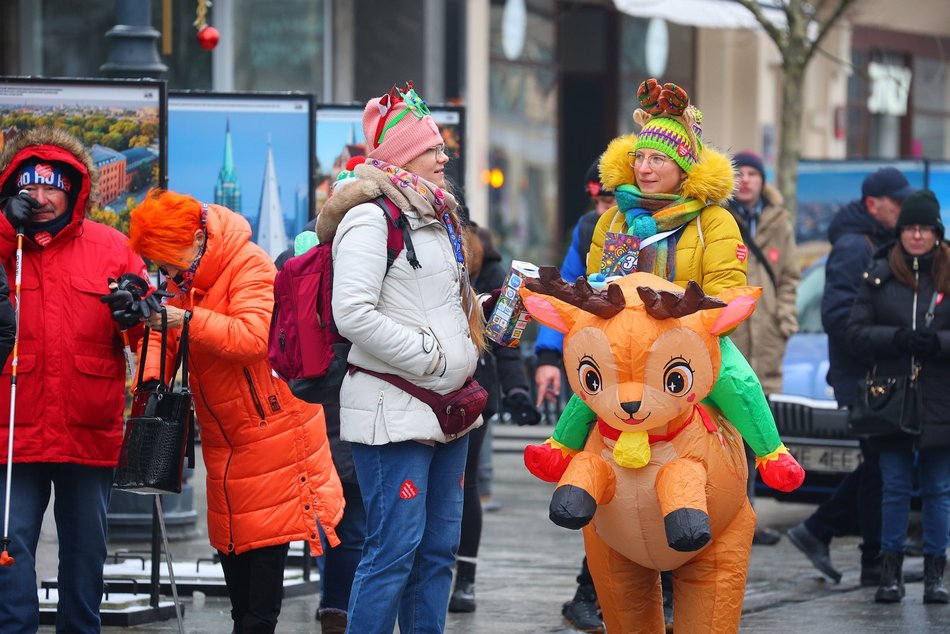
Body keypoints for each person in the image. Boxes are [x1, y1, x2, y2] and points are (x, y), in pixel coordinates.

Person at [126, 189, 344, 633]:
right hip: (226, 444)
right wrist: (149, 376)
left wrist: (184, 320)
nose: (164, 273)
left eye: (165, 262)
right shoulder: (185, 279)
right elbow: (165, 342)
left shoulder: (249, 264)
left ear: (188, 242)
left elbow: (250, 338)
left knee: (259, 603)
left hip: (275, 436)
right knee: (237, 587)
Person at [315, 82, 486, 634]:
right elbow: (353, 314)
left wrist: (485, 319)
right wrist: (433, 357)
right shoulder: (370, 218)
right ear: (404, 156)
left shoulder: (436, 216)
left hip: (447, 409)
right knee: (392, 552)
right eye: (433, 148)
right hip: (394, 411)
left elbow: (430, 303)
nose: (444, 157)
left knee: (438, 551)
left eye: (441, 148)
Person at [0, 127, 148, 632]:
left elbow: (145, 337)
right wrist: (3, 229)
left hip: (87, 425)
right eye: (29, 186)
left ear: (73, 188)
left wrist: (136, 315)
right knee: (11, 542)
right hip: (12, 429)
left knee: (86, 549)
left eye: (51, 186)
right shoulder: (3, 243)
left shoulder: (112, 246)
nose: (40, 197)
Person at [788, 166, 914, 586]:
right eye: (895, 204)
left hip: (881, 375)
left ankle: (839, 539)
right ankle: (862, 554)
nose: (901, 210)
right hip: (865, 376)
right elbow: (837, 315)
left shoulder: (881, 239)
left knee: (880, 464)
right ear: (873, 204)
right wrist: (885, 343)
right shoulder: (852, 246)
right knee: (881, 464)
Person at [846, 189, 950, 604]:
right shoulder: (878, 273)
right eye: (910, 228)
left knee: (938, 489)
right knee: (894, 486)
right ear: (901, 231)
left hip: (940, 397)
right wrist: (897, 338)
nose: (917, 236)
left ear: (937, 233)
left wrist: (938, 344)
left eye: (925, 228)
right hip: (889, 398)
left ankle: (934, 576)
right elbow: (854, 333)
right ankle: (890, 575)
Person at [533, 157, 613, 632]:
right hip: (597, 373)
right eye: (599, 199)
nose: (604, 208)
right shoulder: (588, 230)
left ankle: (665, 589)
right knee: (600, 483)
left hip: (657, 377)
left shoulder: (666, 227)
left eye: (611, 198)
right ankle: (588, 591)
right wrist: (546, 357)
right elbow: (562, 294)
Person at [447, 218, 540, 614]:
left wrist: (517, 388)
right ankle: (432, 572)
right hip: (429, 385)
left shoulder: (492, 269)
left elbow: (506, 340)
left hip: (474, 393)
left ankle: (464, 579)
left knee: (463, 486)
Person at [276, 226, 364, 634]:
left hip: (309, 400)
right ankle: (338, 613)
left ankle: (336, 610)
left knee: (335, 519)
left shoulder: (294, 256)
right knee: (350, 522)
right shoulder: (364, 252)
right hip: (343, 402)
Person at [727, 151, 802, 546]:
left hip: (768, 339)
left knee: (758, 431)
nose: (748, 181)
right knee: (728, 431)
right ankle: (731, 511)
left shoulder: (779, 221)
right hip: (731, 336)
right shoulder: (719, 216)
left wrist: (784, 317)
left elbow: (790, 275)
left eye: (754, 174)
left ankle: (749, 515)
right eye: (742, 174)